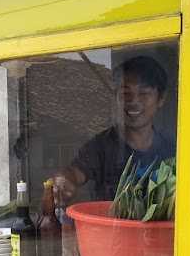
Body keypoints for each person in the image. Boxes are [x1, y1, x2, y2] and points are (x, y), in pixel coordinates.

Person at [54, 56, 175, 202]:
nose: (134, 101)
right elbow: (74, 173)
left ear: (161, 99)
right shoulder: (100, 147)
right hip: (111, 225)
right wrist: (63, 180)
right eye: (125, 93)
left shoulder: (171, 147)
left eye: (144, 93)